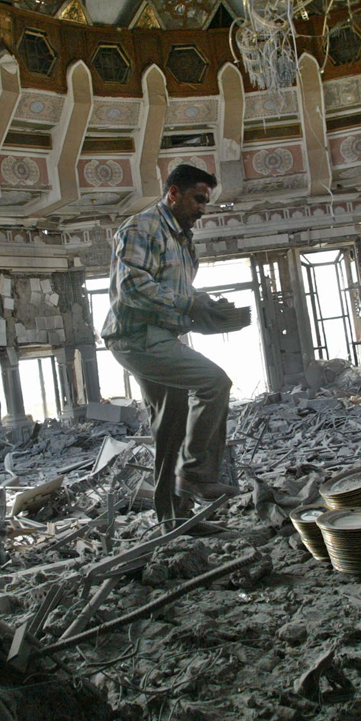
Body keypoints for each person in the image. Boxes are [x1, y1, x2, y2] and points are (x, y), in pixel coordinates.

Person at [100, 164, 241, 528]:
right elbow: (132, 290)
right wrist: (190, 305)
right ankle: (195, 474)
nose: (202, 209)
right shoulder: (141, 228)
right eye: (197, 199)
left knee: (171, 427)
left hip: (158, 337)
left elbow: (179, 296)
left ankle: (174, 520)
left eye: (206, 202)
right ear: (173, 194)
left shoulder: (182, 239)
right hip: (136, 339)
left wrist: (209, 310)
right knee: (214, 382)